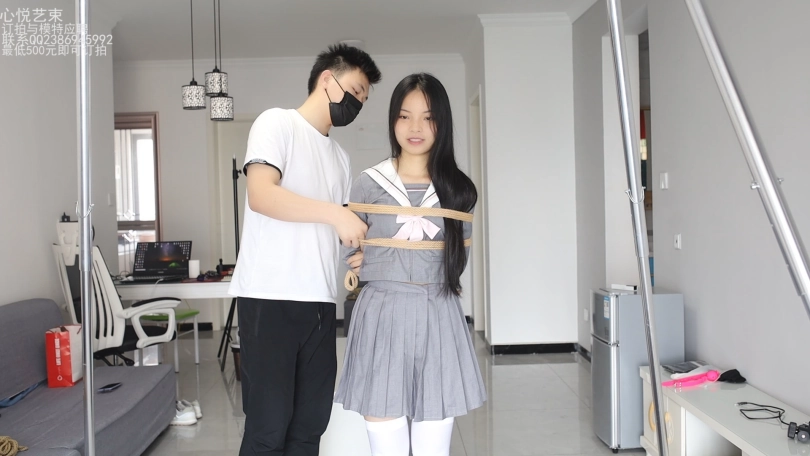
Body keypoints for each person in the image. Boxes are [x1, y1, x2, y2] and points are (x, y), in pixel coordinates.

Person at [228, 43, 381, 456]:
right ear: (327, 80)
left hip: (320, 303)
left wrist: (358, 247)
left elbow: (335, 229)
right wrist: (335, 214)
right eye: (355, 91)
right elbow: (262, 195)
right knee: (268, 428)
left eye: (364, 99)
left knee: (309, 427)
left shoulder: (340, 157)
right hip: (269, 298)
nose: (357, 103)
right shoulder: (276, 123)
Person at [335, 73, 486, 456]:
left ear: (442, 123)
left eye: (428, 117)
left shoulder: (459, 189)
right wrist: (362, 259)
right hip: (382, 315)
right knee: (386, 443)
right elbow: (348, 246)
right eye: (405, 116)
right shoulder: (369, 183)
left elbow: (456, 258)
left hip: (438, 315)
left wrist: (389, 257)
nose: (415, 127)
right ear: (393, 121)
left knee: (433, 444)